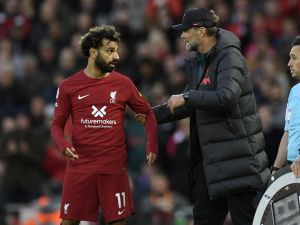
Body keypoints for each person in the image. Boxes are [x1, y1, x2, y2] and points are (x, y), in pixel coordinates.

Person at [136, 8, 269, 225]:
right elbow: (190, 104)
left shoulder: (230, 56)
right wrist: (149, 115)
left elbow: (226, 96)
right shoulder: (201, 62)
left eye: (186, 30)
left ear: (201, 31)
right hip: (210, 165)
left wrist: (187, 97)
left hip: (238, 163)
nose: (182, 36)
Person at [51, 25, 158, 225]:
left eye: (116, 50)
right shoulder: (68, 86)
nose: (116, 56)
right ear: (93, 52)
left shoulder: (124, 84)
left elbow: (148, 112)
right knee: (68, 222)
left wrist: (152, 144)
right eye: (110, 51)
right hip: (80, 166)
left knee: (117, 223)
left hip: (113, 167)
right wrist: (63, 146)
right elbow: (56, 125)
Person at [272, 36, 300, 177]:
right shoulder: (294, 91)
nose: (289, 63)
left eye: (294, 58)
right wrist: (276, 169)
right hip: (292, 166)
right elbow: (287, 133)